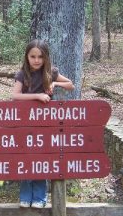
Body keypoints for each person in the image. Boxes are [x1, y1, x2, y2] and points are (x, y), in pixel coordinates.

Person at [12, 39, 75, 209]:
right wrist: (37, 96)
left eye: (40, 56)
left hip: (45, 125)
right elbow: (15, 96)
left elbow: (71, 85)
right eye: (33, 56)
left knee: (42, 159)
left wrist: (55, 83)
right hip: (25, 124)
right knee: (26, 159)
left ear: (46, 57)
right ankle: (25, 196)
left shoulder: (51, 72)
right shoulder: (22, 74)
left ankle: (40, 197)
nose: (37, 60)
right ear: (27, 57)